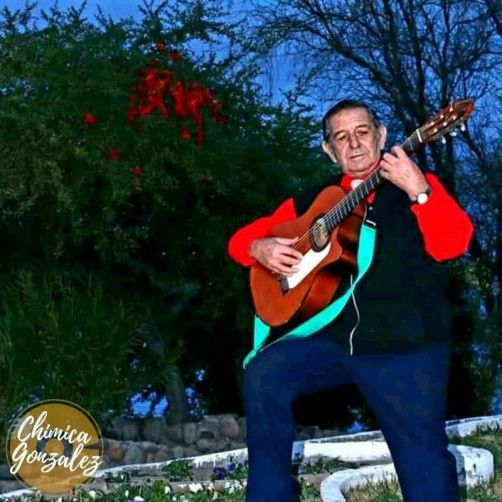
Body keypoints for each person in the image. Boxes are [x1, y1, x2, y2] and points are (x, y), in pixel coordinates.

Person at [227, 99, 474, 502]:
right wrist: (260, 248)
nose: (354, 143)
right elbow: (240, 241)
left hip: (405, 345)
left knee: (423, 462)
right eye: (341, 137)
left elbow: (454, 243)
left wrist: (420, 191)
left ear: (382, 135)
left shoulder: (416, 184)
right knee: (265, 373)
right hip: (334, 342)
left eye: (362, 132)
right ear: (329, 150)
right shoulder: (312, 200)